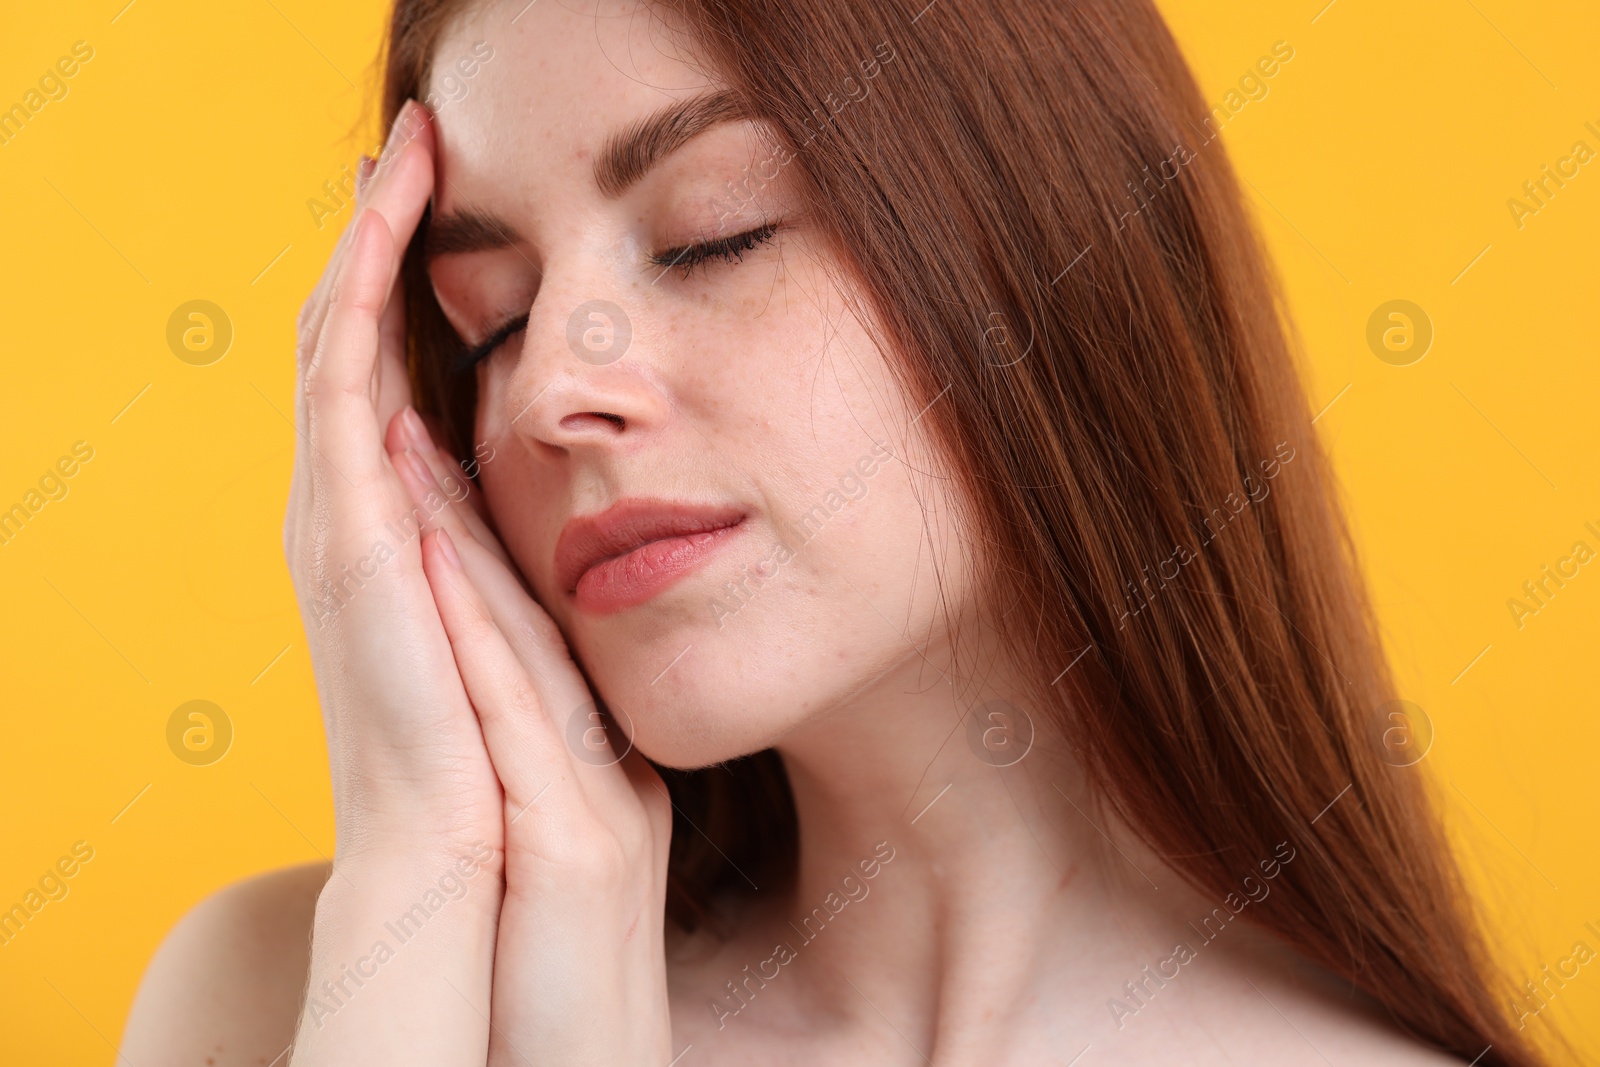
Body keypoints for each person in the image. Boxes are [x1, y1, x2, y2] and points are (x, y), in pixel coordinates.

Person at [119, 0, 1549, 1062]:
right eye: (487, 318)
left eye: (711, 234)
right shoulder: (287, 1002)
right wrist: (424, 873)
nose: (550, 387)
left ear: (1046, 245)